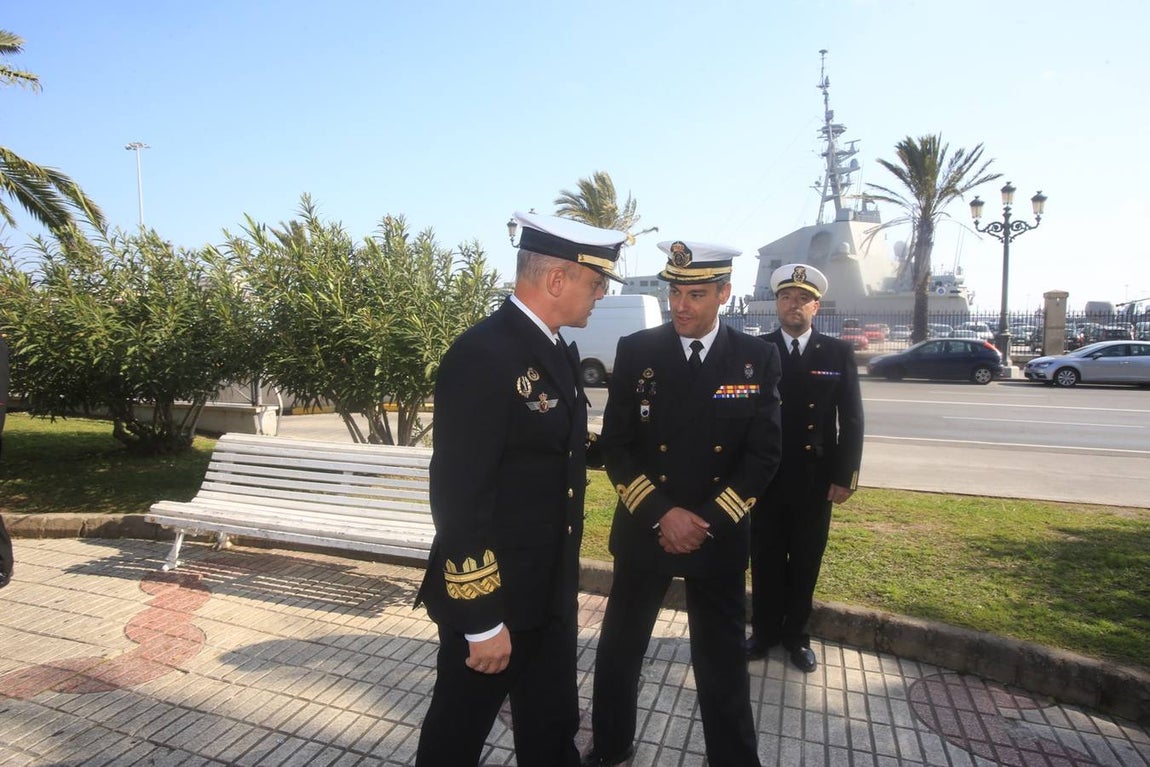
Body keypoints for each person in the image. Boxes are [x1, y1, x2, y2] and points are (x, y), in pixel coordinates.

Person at [414, 211, 625, 767]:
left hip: (547, 591)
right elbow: (459, 497)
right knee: (456, 737)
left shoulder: (554, 348)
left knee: (552, 730)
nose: (601, 294)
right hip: (497, 599)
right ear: (556, 279)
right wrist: (481, 621)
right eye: (596, 281)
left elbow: (554, 450)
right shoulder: (484, 354)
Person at [581, 240, 782, 767]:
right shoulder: (638, 350)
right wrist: (662, 514)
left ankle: (734, 759)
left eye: (696, 294)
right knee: (620, 651)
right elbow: (617, 445)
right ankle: (610, 748)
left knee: (721, 660)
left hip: (716, 533)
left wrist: (705, 522)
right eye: (675, 293)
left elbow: (764, 454)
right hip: (647, 525)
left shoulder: (756, 358)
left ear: (724, 294)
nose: (681, 305)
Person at [746, 263, 864, 673]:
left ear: (816, 306)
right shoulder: (757, 350)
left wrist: (845, 476)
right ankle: (763, 633)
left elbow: (851, 418)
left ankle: (796, 636)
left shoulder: (837, 352)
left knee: (806, 558)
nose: (792, 304)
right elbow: (741, 415)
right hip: (766, 476)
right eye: (785, 297)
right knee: (765, 556)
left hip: (815, 478)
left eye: (802, 298)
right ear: (776, 304)